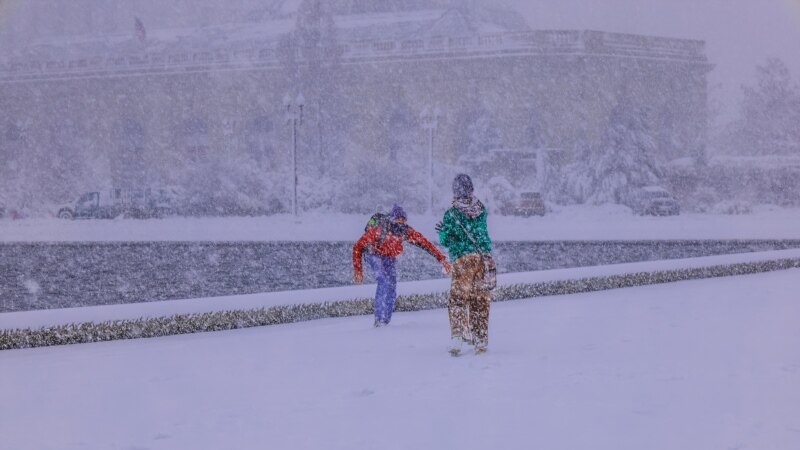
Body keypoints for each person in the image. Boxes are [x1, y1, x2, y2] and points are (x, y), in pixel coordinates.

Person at [353, 205, 452, 327]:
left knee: (392, 286)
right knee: (382, 280)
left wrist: (442, 259)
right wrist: (358, 270)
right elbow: (357, 247)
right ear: (392, 219)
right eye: (398, 219)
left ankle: (385, 320)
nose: (401, 223)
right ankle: (379, 319)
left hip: (389, 257)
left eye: (403, 220)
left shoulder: (405, 231)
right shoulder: (379, 229)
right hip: (373, 254)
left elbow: (426, 244)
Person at [436, 174, 493, 355]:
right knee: (479, 300)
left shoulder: (451, 213)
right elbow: (482, 235)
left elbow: (446, 240)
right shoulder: (480, 209)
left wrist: (443, 231)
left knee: (458, 299)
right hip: (481, 259)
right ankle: (480, 340)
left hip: (462, 259)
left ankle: (457, 339)